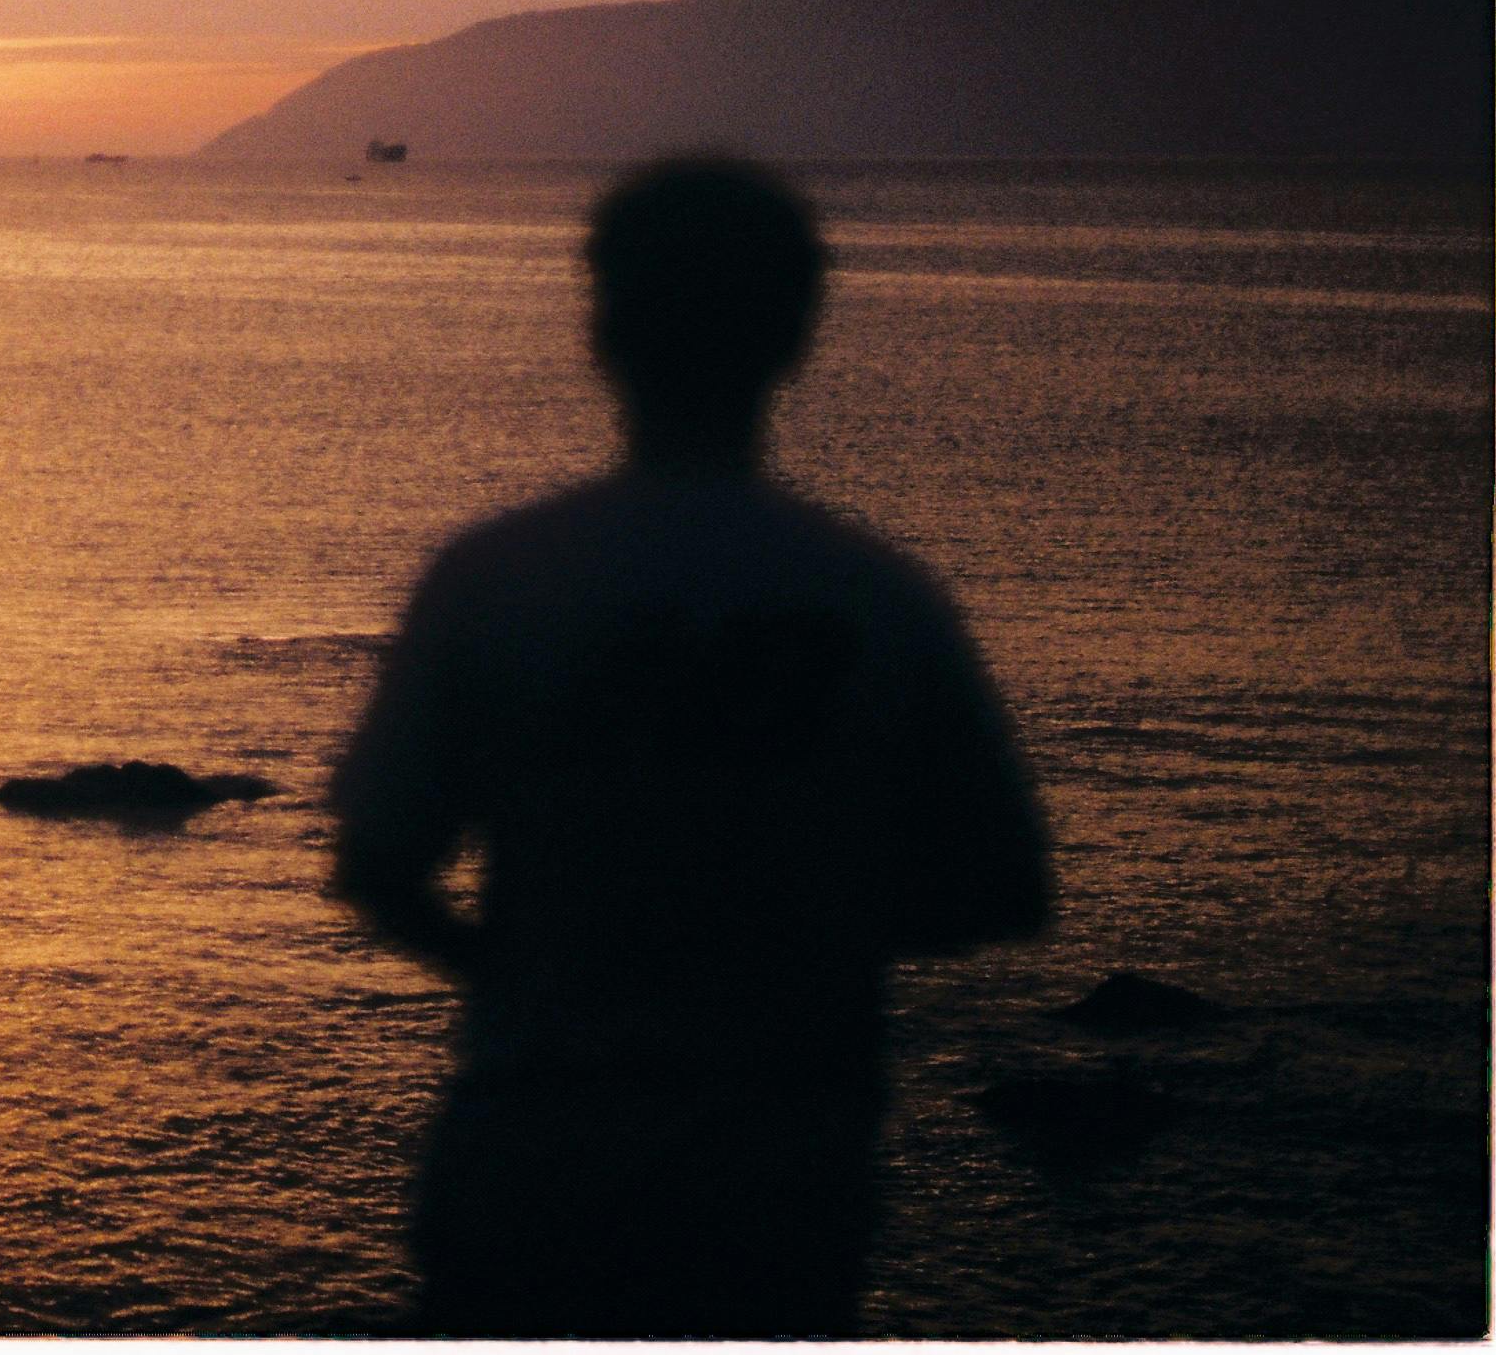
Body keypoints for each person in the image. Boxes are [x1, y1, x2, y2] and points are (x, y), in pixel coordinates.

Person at [330, 156, 1050, 1338]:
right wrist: (798, 941)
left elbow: (378, 871)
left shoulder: (496, 579)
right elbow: (1004, 889)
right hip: (776, 1175)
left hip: (537, 1157)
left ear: (602, 327)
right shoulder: (877, 598)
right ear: (797, 333)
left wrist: (536, 975)